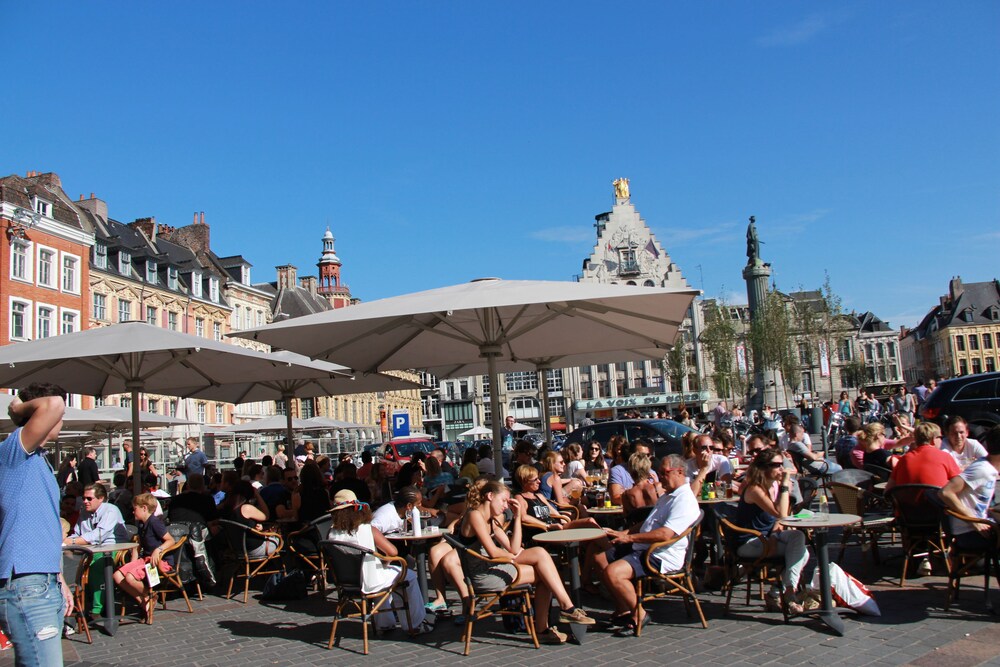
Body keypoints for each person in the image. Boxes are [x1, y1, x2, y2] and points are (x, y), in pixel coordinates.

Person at [457, 480, 594, 644]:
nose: (505, 506)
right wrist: (511, 558)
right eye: (503, 501)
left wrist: (517, 517)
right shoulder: (474, 515)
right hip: (483, 576)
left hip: (493, 567)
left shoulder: (490, 520)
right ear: (490, 496)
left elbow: (514, 548)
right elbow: (493, 552)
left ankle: (561, 613)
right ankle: (559, 615)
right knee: (545, 572)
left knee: (543, 562)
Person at [0, 382, 73, 665]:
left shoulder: (37, 459)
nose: (62, 420)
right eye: (60, 416)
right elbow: (54, 403)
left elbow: (41, 527)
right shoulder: (14, 451)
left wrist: (58, 578)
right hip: (26, 585)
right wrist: (18, 409)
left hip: (41, 581)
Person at [592, 454, 700, 635]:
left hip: (660, 554)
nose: (659, 476)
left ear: (680, 472)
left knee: (613, 572)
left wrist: (630, 538)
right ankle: (624, 609)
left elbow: (665, 534)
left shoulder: (684, 500)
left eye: (664, 473)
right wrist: (625, 533)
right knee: (599, 557)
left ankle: (639, 615)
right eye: (659, 472)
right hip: (644, 546)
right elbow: (649, 522)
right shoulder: (669, 494)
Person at [326, 489, 432, 634]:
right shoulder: (368, 529)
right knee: (408, 576)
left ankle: (385, 623)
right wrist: (383, 561)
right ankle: (415, 624)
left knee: (381, 574)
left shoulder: (331, 533)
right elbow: (392, 552)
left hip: (346, 583)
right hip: (370, 580)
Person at [734, 447, 808, 614]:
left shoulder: (772, 486)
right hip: (749, 542)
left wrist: (774, 536)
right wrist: (785, 486)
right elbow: (781, 514)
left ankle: (781, 592)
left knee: (798, 537)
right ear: (764, 468)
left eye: (782, 464)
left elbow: (780, 519)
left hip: (767, 537)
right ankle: (785, 593)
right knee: (802, 553)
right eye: (777, 465)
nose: (781, 468)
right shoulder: (755, 489)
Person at [65, 482, 127, 617]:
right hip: (89, 549)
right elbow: (77, 533)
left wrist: (72, 541)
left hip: (111, 549)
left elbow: (99, 535)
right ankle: (76, 604)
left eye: (89, 498)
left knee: (96, 567)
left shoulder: (110, 510)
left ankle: (97, 609)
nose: (85, 501)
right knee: (69, 565)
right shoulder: (84, 511)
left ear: (101, 498)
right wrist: (67, 541)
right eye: (84, 498)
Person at [113, 493, 176, 622]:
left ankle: (149, 597)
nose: (133, 511)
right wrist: (132, 564)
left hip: (160, 561)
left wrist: (158, 550)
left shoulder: (154, 522)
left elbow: (171, 540)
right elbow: (138, 545)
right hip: (145, 559)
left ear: (144, 508)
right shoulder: (142, 524)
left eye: (135, 508)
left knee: (130, 577)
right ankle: (146, 600)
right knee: (117, 575)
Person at [939, 425, 1000, 550]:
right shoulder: (982, 470)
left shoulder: (989, 468)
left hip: (984, 524)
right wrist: (973, 521)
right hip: (969, 533)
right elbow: (945, 492)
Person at [514, 465, 598, 532]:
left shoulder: (539, 496)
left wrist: (565, 519)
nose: (539, 481)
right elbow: (524, 517)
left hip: (558, 527)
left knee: (590, 521)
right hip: (545, 531)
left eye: (538, 479)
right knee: (587, 528)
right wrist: (548, 526)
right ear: (525, 482)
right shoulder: (520, 498)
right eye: (535, 480)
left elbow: (554, 513)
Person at [887, 422, 961, 491]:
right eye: (940, 437)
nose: (941, 441)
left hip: (906, 501)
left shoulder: (904, 459)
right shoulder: (944, 456)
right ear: (933, 440)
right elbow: (959, 483)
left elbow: (888, 490)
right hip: (935, 500)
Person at [218, 481, 279, 558]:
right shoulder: (246, 508)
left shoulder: (226, 508)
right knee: (280, 540)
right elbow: (266, 515)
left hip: (236, 549)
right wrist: (257, 495)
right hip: (254, 549)